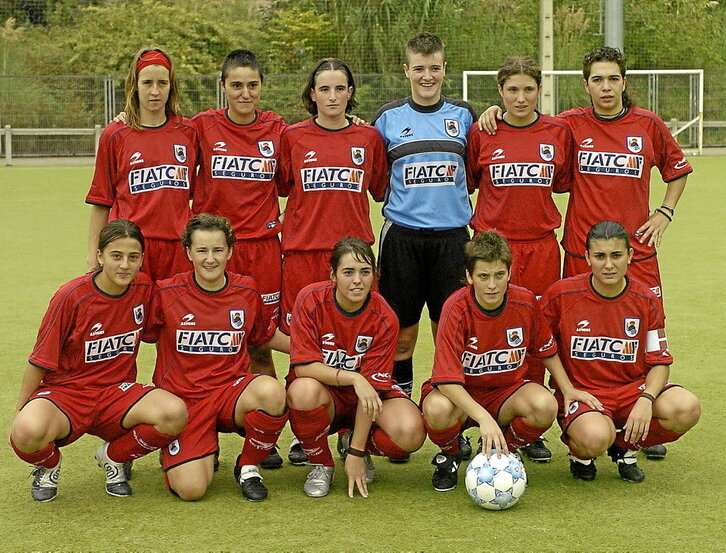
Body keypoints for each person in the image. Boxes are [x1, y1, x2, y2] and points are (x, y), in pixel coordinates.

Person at [479, 46, 693, 460]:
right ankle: (566, 416)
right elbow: (523, 118)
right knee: (570, 338)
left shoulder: (647, 125)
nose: (606, 87)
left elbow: (677, 169)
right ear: (585, 84)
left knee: (642, 337)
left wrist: (665, 211)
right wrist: (492, 110)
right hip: (580, 252)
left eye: (613, 78)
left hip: (637, 254)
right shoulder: (569, 125)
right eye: (598, 79)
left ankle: (639, 414)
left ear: (624, 82)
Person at [9, 219, 187, 501]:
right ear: (100, 256)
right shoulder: (71, 296)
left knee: (174, 413)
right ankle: (49, 467)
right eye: (116, 256)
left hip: (117, 393)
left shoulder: (143, 287)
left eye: (133, 257)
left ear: (142, 259)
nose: (124, 265)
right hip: (67, 393)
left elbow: (160, 330)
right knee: (27, 431)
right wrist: (22, 408)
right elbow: (40, 360)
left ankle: (113, 458)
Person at [420, 231, 600, 491]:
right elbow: (446, 381)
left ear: (509, 273)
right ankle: (451, 454)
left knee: (545, 404)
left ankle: (503, 449)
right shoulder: (455, 308)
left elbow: (545, 349)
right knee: (436, 408)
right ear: (470, 277)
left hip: (506, 392)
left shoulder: (525, 301)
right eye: (483, 276)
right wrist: (483, 418)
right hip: (463, 395)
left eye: (499, 275)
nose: (492, 285)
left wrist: (568, 388)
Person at [467, 56, 574, 462]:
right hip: (493, 246)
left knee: (536, 330)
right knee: (489, 329)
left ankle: (527, 423)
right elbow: (471, 181)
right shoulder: (483, 131)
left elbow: (562, 183)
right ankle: (482, 416)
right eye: (512, 89)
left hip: (541, 246)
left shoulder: (557, 133)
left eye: (528, 89)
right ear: (500, 92)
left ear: (540, 90)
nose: (521, 97)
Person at [540, 221, 700, 483]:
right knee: (594, 438)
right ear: (587, 257)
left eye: (616, 255)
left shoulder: (646, 299)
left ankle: (625, 447)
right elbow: (543, 347)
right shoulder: (561, 294)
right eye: (600, 256)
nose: (608, 265)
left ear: (630, 256)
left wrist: (646, 398)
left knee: (686, 408)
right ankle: (581, 454)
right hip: (585, 393)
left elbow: (659, 361)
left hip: (631, 391)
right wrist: (567, 388)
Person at [143, 213, 289, 502]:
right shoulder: (165, 292)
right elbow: (136, 330)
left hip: (228, 395)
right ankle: (192, 448)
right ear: (188, 252)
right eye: (202, 251)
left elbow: (265, 336)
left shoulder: (246, 290)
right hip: (185, 403)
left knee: (271, 392)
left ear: (230, 251)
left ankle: (247, 465)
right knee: (191, 490)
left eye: (217, 250)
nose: (210, 259)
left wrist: (313, 351)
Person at [372, 33, 477, 418]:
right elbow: (376, 174)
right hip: (402, 238)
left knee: (449, 333)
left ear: (445, 70)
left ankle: (453, 416)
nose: (427, 76)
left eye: (434, 68)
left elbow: (478, 170)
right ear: (407, 71)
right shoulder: (387, 119)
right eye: (419, 68)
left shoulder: (465, 116)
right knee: (402, 334)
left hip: (453, 240)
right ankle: (400, 411)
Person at [286, 237, 425, 498]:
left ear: (375, 275)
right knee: (302, 391)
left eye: (365, 272)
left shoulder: (385, 317)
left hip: (367, 398)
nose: (357, 280)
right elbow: (304, 367)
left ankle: (351, 442)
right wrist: (353, 378)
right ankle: (321, 463)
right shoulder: (310, 300)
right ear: (333, 275)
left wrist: (357, 452)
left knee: (410, 432)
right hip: (325, 393)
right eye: (348, 272)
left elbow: (371, 390)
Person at [190, 49, 285, 382]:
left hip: (263, 250)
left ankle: (266, 425)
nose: (245, 94)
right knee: (212, 338)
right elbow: (161, 132)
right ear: (223, 86)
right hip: (216, 251)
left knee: (260, 343)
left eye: (253, 85)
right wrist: (127, 116)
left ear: (261, 86)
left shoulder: (277, 128)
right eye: (237, 86)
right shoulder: (202, 126)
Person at [277, 58, 387, 337]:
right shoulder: (292, 137)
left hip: (353, 256)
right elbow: (282, 186)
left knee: (355, 333)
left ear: (350, 92)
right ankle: (301, 383)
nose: (333, 96)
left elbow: (377, 188)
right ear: (312, 94)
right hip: (304, 253)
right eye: (324, 89)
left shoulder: (368, 137)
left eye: (340, 88)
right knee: (301, 335)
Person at [86, 47, 197, 281]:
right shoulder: (115, 134)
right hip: (130, 250)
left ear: (171, 86)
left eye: (162, 83)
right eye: (147, 83)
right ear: (135, 86)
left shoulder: (189, 132)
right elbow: (101, 200)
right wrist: (92, 256)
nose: (155, 91)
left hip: (178, 250)